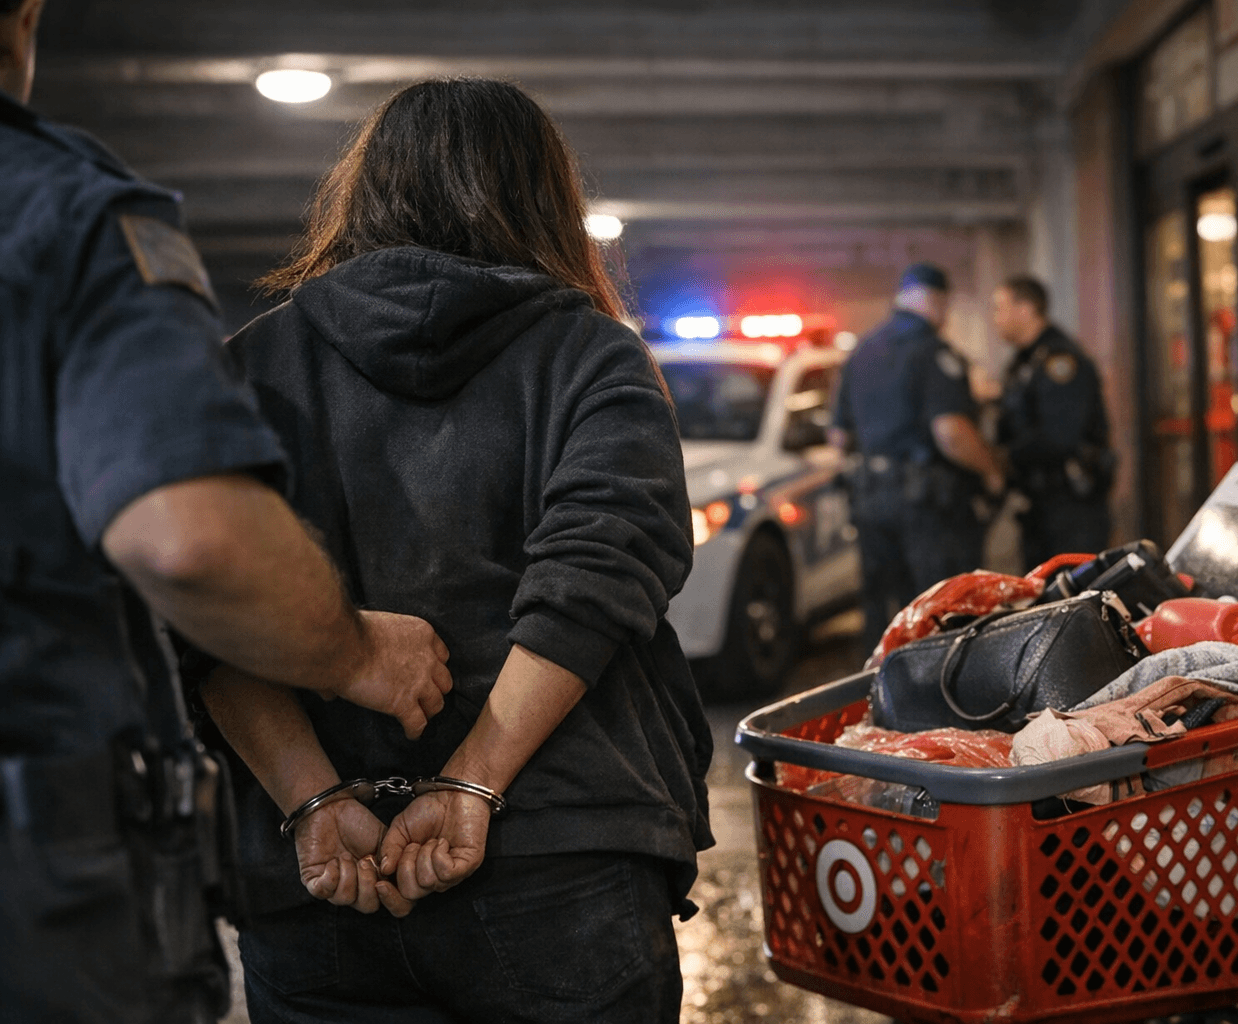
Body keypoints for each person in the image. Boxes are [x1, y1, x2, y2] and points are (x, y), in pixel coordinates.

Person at [196, 78, 714, 1024]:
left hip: (320, 879)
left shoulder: (248, 364)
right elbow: (598, 574)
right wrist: (470, 784)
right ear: (542, 197)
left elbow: (205, 601)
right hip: (562, 854)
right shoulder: (592, 355)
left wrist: (313, 801)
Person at [0, 3, 453, 1022]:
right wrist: (357, 654)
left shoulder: (271, 348)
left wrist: (309, 793)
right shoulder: (61, 216)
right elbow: (192, 540)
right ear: (25, 14)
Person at [831, 263, 1006, 655]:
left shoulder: (861, 351)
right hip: (927, 506)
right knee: (938, 606)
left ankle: (877, 695)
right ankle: (937, 700)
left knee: (882, 607)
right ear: (937, 301)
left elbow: (839, 436)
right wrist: (992, 471)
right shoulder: (931, 351)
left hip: (871, 498)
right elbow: (952, 433)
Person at [993, 275, 1115, 569]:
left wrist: (1002, 458)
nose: (995, 318)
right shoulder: (1024, 361)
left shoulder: (1059, 360)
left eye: (1000, 308)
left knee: (1073, 594)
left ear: (1026, 309)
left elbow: (1060, 437)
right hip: (1038, 504)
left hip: (1070, 505)